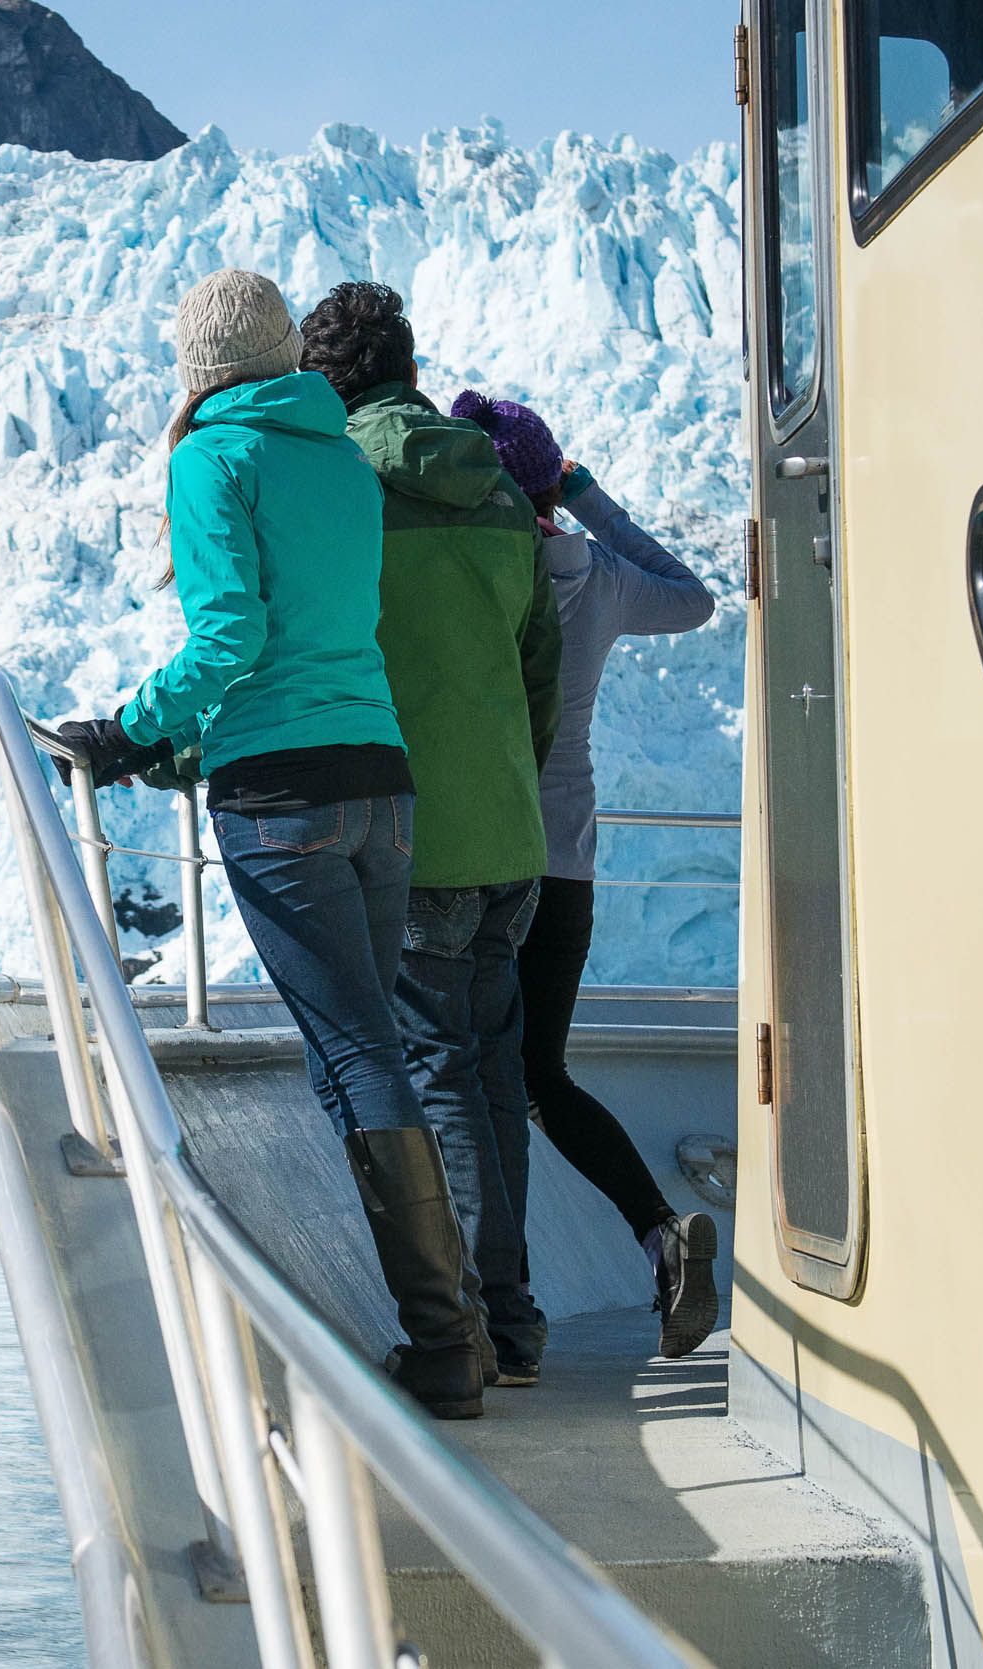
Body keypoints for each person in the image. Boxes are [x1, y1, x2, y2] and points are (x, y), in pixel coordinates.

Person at [50, 268, 490, 1418]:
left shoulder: (212, 457)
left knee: (357, 1052)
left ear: (196, 371)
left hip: (282, 799)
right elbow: (321, 630)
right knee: (370, 1043)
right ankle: (465, 1326)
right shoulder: (340, 456)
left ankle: (446, 1343)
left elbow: (234, 634)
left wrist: (129, 730)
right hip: (379, 782)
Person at [296, 282, 561, 1387]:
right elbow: (534, 663)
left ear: (323, 380)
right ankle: (514, 1316)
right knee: (492, 1071)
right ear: (409, 363)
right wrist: (508, 783)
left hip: (415, 837)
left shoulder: (340, 484)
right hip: (510, 833)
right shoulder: (498, 489)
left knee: (438, 1073)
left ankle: (473, 1328)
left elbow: (304, 646)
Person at [453, 390, 723, 1361]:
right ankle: (657, 1231)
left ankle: (491, 1300)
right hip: (566, 865)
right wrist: (588, 498)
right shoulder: (595, 574)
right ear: (550, 481)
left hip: (480, 858)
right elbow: (692, 597)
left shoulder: (475, 568)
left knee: (473, 1073)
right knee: (538, 1073)